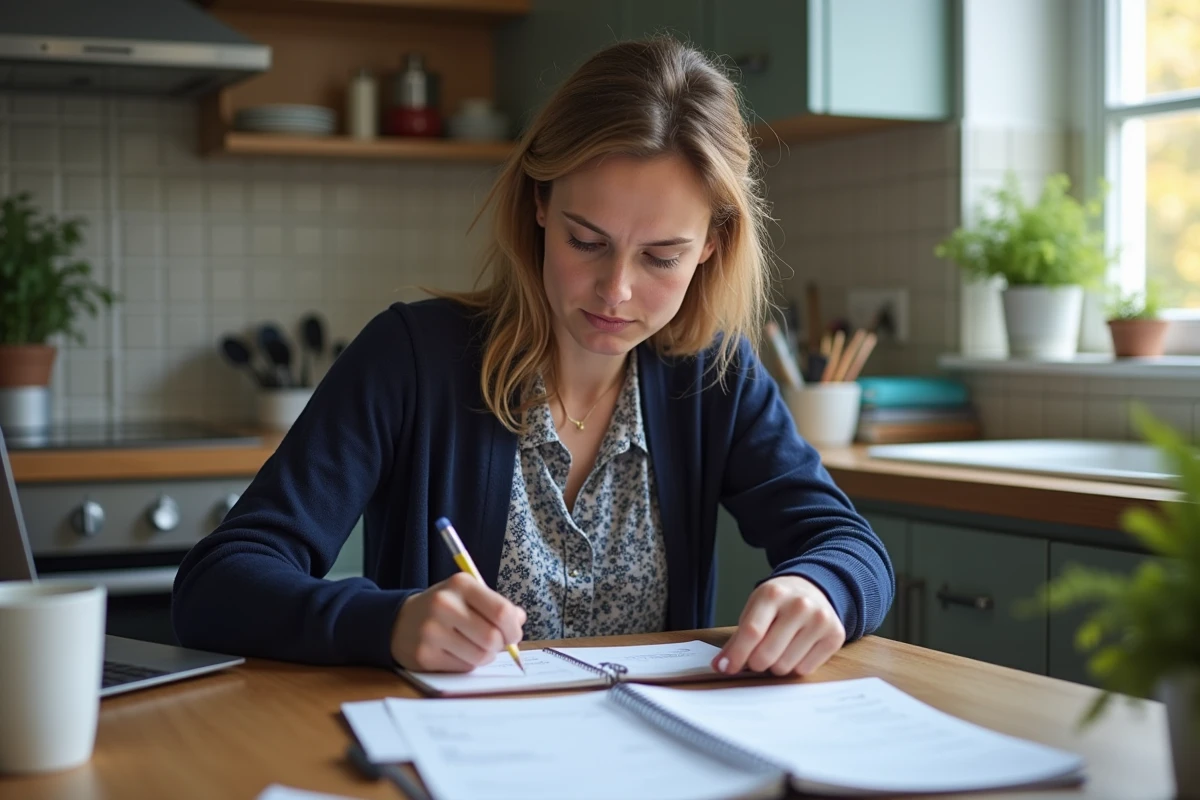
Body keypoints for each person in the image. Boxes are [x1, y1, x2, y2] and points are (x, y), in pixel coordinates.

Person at [172, 37, 893, 678]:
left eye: (661, 257)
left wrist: (821, 589)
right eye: (587, 241)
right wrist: (387, 623)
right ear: (540, 205)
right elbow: (218, 586)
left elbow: (848, 546)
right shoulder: (410, 358)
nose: (616, 290)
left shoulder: (717, 377)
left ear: (711, 245)